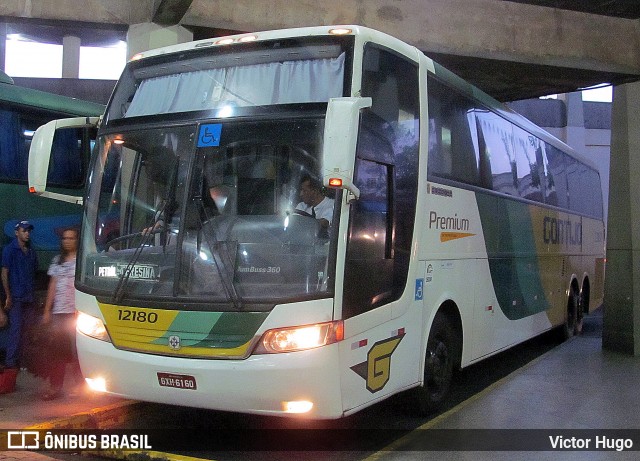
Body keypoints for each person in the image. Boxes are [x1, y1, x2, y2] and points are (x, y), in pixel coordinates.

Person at [41, 227, 81, 400]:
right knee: (58, 351)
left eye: (71, 238)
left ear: (77, 240)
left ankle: (80, 386)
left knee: (77, 351)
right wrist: (47, 311)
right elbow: (52, 286)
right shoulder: (58, 261)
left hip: (76, 313)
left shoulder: (82, 261)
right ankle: (55, 387)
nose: (67, 241)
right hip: (59, 313)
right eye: (65, 238)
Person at [1, 221, 38, 372]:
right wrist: (8, 295)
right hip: (16, 297)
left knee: (27, 330)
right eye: (24, 230)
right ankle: (11, 363)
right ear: (17, 232)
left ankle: (23, 362)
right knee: (15, 330)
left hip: (28, 297)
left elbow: (33, 273)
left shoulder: (30, 252)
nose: (27, 233)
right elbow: (4, 273)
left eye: (29, 230)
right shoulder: (10, 250)